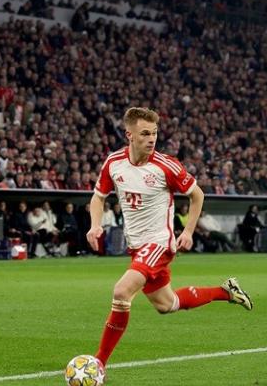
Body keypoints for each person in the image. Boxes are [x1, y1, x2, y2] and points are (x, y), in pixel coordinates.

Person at [85, 107, 253, 368]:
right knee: (167, 304)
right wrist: (95, 225)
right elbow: (98, 197)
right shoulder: (114, 163)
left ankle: (98, 364)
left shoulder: (166, 165)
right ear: (129, 135)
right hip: (137, 246)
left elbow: (197, 195)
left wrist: (187, 232)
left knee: (121, 291)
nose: (151, 139)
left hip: (159, 243)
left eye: (154, 133)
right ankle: (226, 292)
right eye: (145, 133)